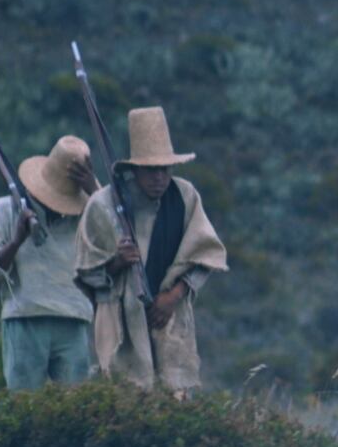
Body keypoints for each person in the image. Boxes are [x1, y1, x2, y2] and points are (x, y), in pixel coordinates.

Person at [76, 109, 227, 396]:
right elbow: (86, 274)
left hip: (169, 318)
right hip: (121, 323)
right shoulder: (103, 204)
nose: (159, 178)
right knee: (124, 398)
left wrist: (173, 296)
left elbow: (206, 256)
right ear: (135, 170)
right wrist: (117, 262)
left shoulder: (185, 196)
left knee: (174, 397)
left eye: (165, 169)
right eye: (151, 170)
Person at [0, 135, 98, 390]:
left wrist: (95, 193)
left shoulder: (89, 214)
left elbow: (115, 239)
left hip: (74, 316)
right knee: (24, 403)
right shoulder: (5, 210)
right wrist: (16, 241)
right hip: (25, 317)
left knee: (77, 405)